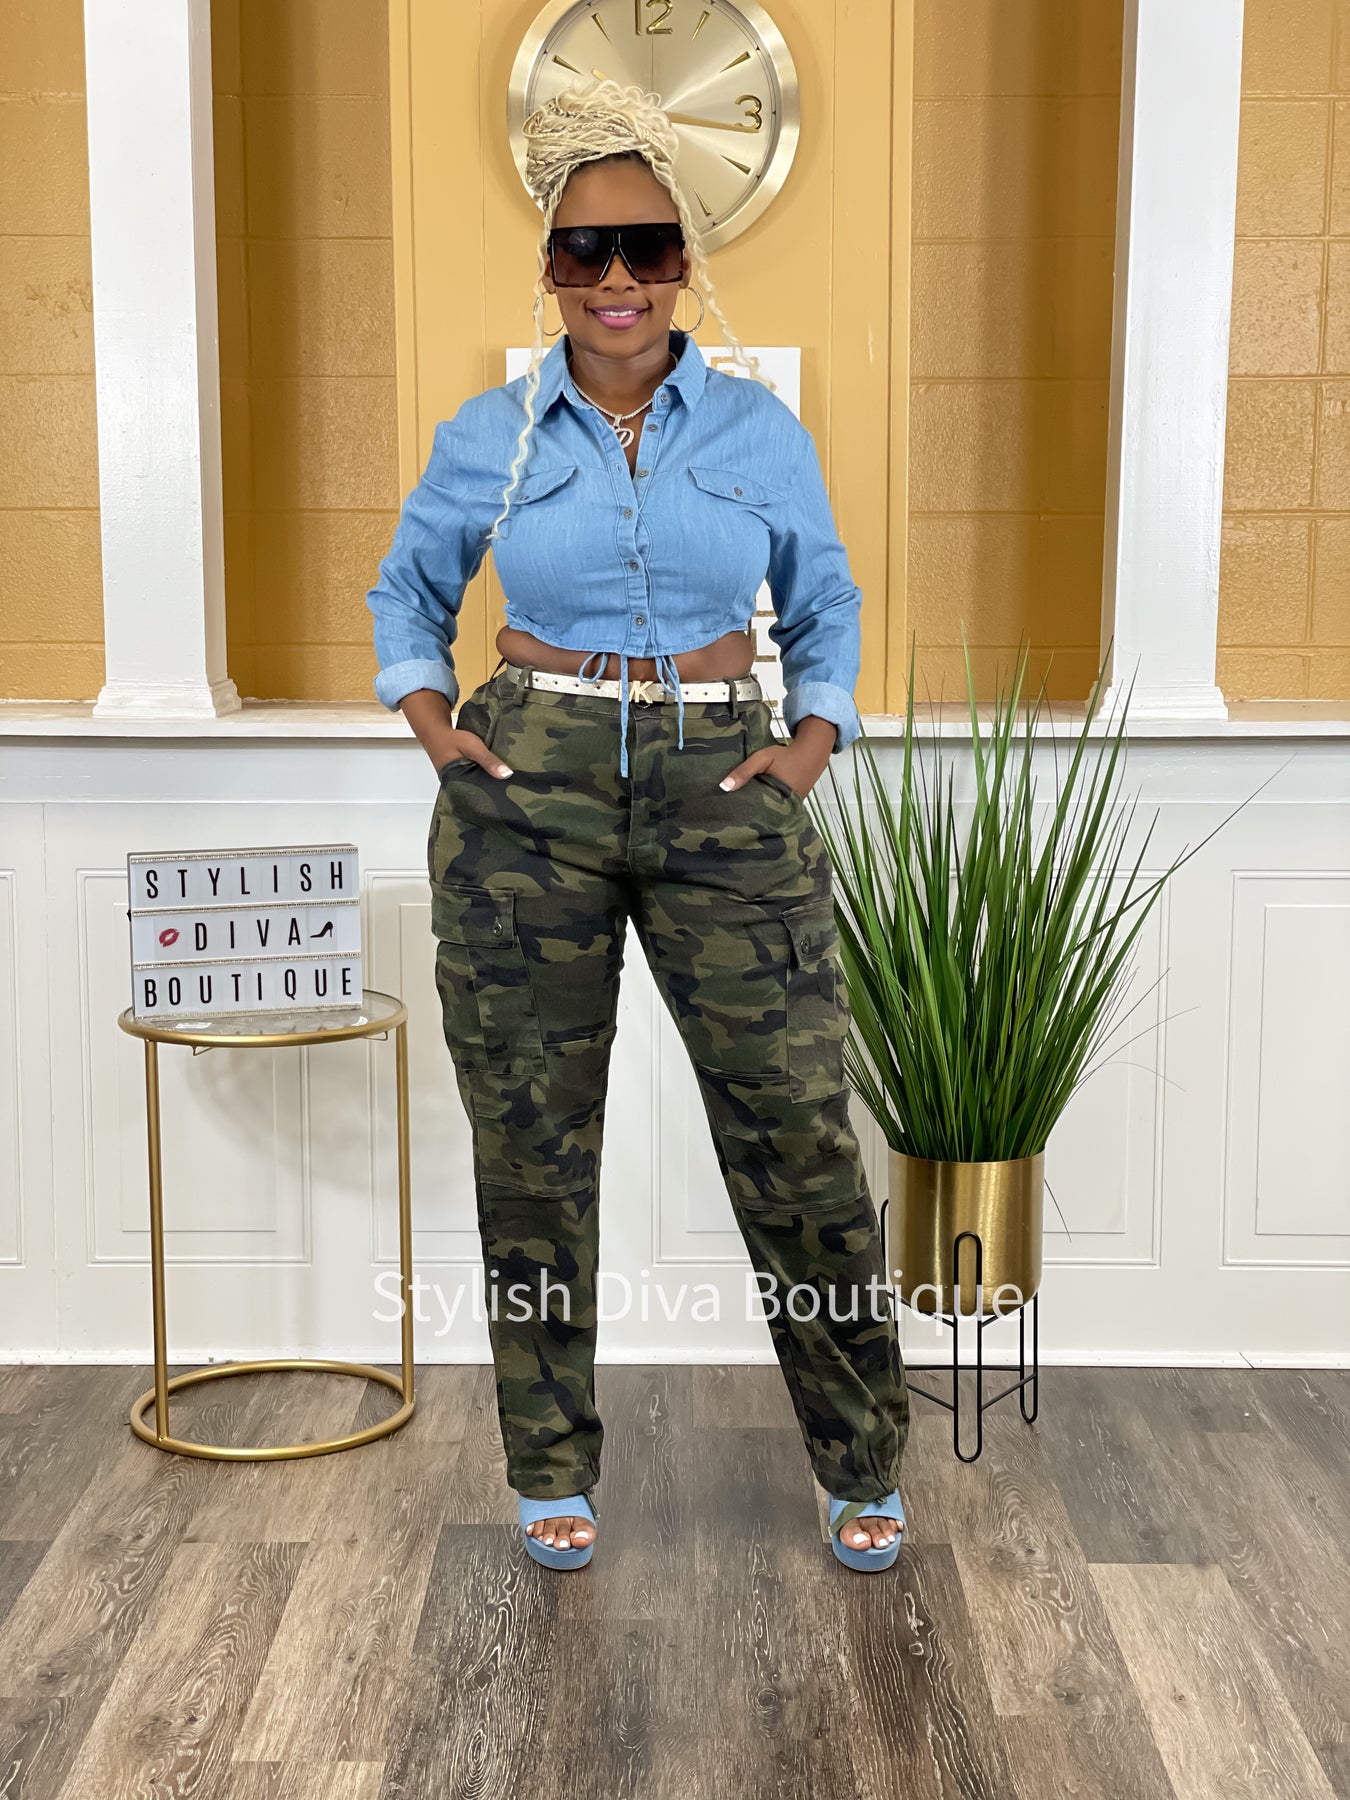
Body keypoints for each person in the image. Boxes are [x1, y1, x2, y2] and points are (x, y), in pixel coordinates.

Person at [366, 78, 909, 1573]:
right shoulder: (488, 434)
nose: (618, 278)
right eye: (585, 250)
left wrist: (809, 744)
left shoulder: (755, 429)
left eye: (647, 248)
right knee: (531, 1142)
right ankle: (550, 1465)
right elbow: (408, 594)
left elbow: (824, 598)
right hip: (526, 783)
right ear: (548, 268)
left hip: (724, 776)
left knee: (794, 1125)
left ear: (684, 261)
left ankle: (860, 1455)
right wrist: (436, 726)